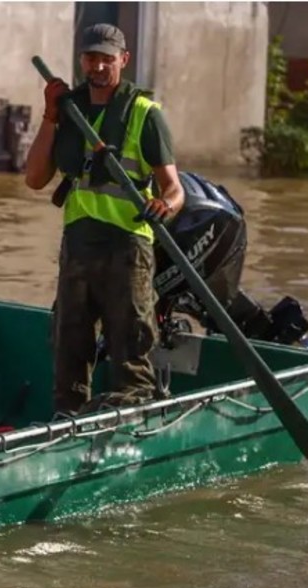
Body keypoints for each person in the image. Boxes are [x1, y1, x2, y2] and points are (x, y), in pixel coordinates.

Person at [23, 22, 184, 415]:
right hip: (78, 246)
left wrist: (166, 205)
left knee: (130, 344)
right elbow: (35, 178)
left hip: (128, 247)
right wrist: (49, 114)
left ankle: (132, 422)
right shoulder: (68, 109)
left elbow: (174, 189)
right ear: (82, 59)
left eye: (106, 59)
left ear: (123, 61)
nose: (97, 67)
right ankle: (67, 423)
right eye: (90, 58)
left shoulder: (144, 113)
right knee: (69, 345)